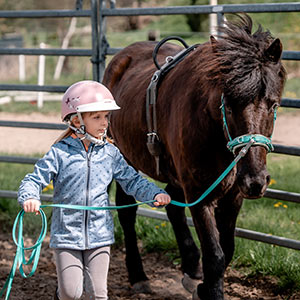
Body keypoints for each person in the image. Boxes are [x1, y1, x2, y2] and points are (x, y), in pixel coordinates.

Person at [18, 80, 171, 300]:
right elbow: (34, 178)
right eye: (96, 117)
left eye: (106, 117)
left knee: (98, 294)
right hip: (67, 236)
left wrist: (154, 194)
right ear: (76, 120)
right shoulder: (59, 153)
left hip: (100, 235)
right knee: (71, 293)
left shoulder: (110, 153)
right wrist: (30, 196)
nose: (104, 123)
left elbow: (133, 180)